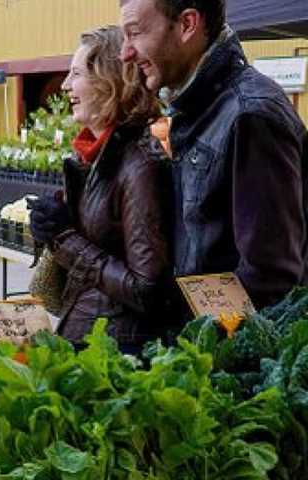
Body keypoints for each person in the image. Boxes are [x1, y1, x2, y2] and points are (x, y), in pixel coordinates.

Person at [120, 0, 308, 310]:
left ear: (187, 25)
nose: (125, 52)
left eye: (136, 33)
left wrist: (204, 343)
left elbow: (269, 279)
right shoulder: (197, 109)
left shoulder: (250, 113)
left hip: (230, 349)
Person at [29, 25, 173, 353]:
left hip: (117, 350)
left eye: (76, 74)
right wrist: (50, 226)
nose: (65, 86)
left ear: (110, 81)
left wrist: (65, 237)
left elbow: (146, 290)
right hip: (95, 335)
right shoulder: (98, 154)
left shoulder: (139, 164)